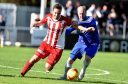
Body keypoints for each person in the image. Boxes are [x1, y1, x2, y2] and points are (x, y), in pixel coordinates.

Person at [21, 3, 87, 77]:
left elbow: (75, 24)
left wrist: (84, 28)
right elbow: (40, 23)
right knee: (34, 59)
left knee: (47, 67)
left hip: (57, 48)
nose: (56, 15)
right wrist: (35, 24)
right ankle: (22, 74)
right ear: (52, 11)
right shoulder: (48, 17)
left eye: (58, 13)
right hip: (46, 44)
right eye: (55, 13)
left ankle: (51, 63)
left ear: (60, 13)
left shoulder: (65, 20)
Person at [60, 6, 100, 80]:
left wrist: (74, 23)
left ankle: (83, 71)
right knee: (70, 60)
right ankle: (65, 76)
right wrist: (61, 30)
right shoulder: (76, 22)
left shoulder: (91, 19)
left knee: (87, 58)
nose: (81, 15)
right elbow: (68, 31)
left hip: (93, 43)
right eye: (79, 14)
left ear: (85, 12)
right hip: (81, 42)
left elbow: (84, 23)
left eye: (82, 13)